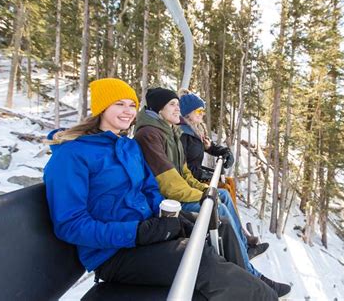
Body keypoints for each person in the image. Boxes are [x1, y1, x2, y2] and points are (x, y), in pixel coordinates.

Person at [43, 78, 279, 300]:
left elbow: (149, 190)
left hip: (146, 236)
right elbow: (70, 225)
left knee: (216, 226)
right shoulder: (72, 155)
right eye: (119, 104)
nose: (127, 111)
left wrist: (173, 217)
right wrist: (139, 232)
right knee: (199, 259)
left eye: (131, 105)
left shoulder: (128, 147)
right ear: (101, 108)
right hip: (112, 253)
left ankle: (252, 283)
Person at [134, 87, 291, 297]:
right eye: (172, 104)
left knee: (222, 195)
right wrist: (202, 195)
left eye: (178, 105)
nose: (177, 109)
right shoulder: (151, 134)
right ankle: (251, 275)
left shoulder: (170, 130)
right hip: (166, 201)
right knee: (219, 210)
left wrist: (205, 188)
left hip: (177, 192)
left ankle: (244, 249)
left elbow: (184, 172)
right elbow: (168, 182)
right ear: (158, 108)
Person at [179, 92, 268, 258]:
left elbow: (208, 146)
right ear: (188, 113)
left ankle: (243, 239)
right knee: (223, 193)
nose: (202, 114)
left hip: (197, 178)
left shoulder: (194, 131)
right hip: (190, 184)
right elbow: (185, 169)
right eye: (199, 111)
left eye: (202, 111)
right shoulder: (183, 135)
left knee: (227, 188)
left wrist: (225, 152)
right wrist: (210, 173)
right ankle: (241, 244)